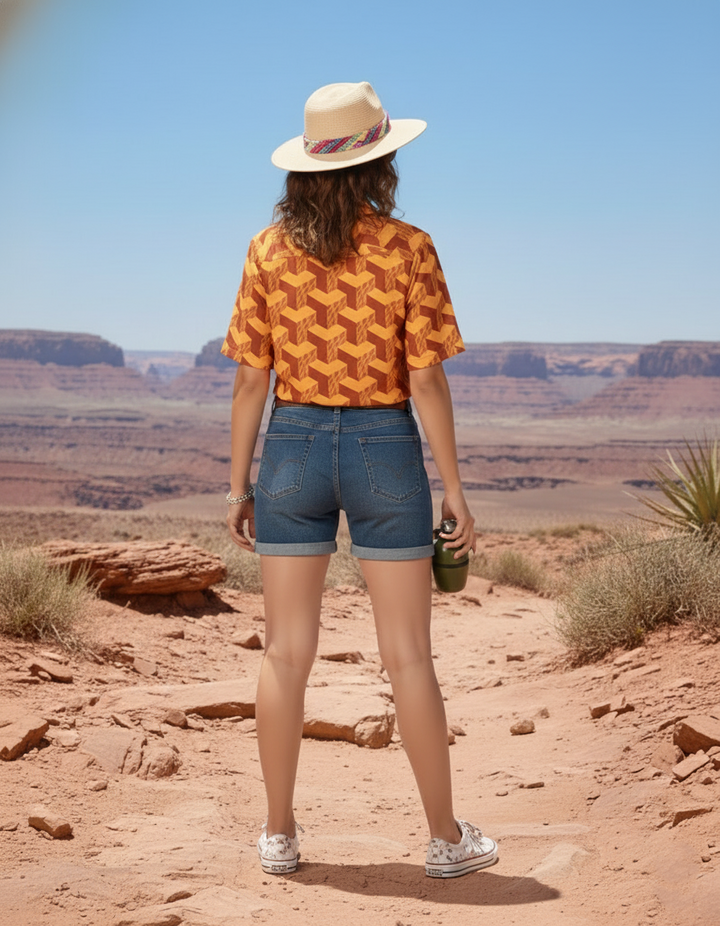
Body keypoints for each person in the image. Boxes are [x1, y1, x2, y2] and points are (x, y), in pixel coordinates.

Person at [222, 81, 498, 879]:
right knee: (409, 655)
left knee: (285, 654)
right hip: (385, 442)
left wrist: (238, 484)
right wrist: (454, 486)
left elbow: (249, 380)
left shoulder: (266, 249)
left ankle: (278, 836)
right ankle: (445, 841)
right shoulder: (408, 246)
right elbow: (426, 380)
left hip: (293, 443)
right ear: (381, 162)